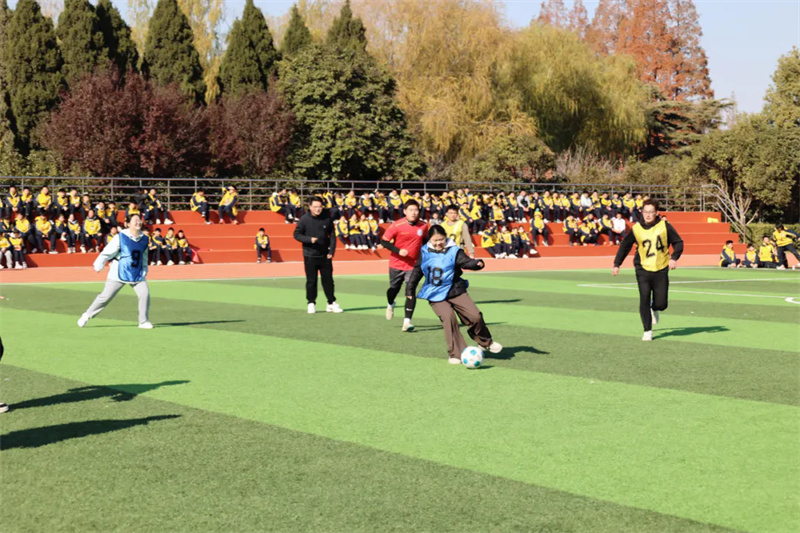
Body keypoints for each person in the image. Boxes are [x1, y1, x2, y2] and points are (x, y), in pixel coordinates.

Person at [407, 225, 502, 364]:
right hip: (435, 293)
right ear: (430, 240)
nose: (438, 243)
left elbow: (466, 262)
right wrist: (410, 289)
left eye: (441, 239)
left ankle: (484, 342)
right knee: (448, 317)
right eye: (435, 240)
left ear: (445, 237)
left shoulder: (454, 251)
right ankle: (456, 354)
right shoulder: (424, 251)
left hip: (455, 290)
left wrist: (476, 264)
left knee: (475, 316)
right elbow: (417, 271)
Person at [612, 199, 684, 341]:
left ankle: (655, 308)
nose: (648, 215)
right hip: (642, 268)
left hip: (661, 267)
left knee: (662, 304)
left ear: (657, 213)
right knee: (644, 297)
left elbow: (678, 242)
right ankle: (647, 330)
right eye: (645, 212)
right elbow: (625, 246)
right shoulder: (636, 228)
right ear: (641, 212)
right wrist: (617, 264)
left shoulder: (665, 226)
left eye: (651, 212)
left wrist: (674, 258)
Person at [78, 213, 152, 329]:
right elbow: (107, 252)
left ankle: (143, 321)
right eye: (135, 220)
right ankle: (87, 315)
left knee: (144, 294)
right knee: (105, 297)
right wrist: (99, 263)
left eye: (139, 220)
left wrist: (145, 268)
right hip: (118, 272)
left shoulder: (145, 239)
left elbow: (144, 256)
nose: (138, 222)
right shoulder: (120, 237)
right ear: (127, 224)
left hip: (137, 273)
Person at [380, 200, 428, 332]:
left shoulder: (424, 226)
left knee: (410, 290)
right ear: (405, 211)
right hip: (396, 263)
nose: (414, 213)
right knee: (393, 289)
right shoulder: (397, 225)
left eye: (416, 210)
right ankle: (391, 303)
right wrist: (398, 251)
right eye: (411, 210)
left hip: (413, 265)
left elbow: (426, 243)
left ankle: (407, 321)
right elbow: (384, 241)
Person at [293, 196, 342, 314]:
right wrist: (309, 239)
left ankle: (331, 303)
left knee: (328, 281)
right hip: (310, 255)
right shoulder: (304, 219)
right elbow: (296, 234)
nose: (318, 209)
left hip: (325, 255)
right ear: (310, 207)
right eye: (315, 207)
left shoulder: (327, 218)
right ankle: (311, 303)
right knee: (311, 281)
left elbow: (332, 236)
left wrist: (331, 251)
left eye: (320, 207)